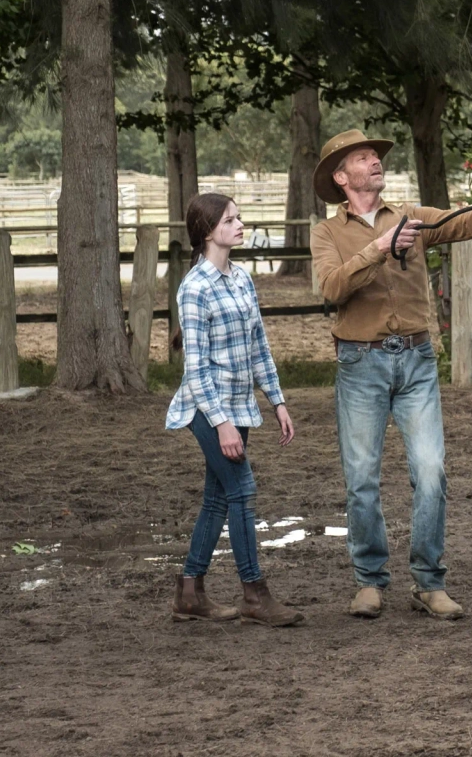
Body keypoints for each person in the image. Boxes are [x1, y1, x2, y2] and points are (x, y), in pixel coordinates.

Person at [310, 129, 472, 620]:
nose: (374, 162)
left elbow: (455, 223)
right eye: (362, 158)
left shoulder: (413, 215)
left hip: (418, 362)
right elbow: (332, 288)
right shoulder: (326, 233)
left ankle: (429, 582)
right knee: (361, 479)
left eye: (375, 156)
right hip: (360, 365)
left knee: (431, 472)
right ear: (341, 178)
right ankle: (369, 581)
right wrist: (380, 247)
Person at [164, 191, 304, 627]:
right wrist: (221, 423)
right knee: (241, 491)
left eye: (240, 218)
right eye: (231, 220)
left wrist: (277, 401)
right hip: (207, 409)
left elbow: (259, 347)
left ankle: (190, 593)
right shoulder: (195, 288)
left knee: (218, 499)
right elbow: (197, 367)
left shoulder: (242, 279)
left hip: (241, 406)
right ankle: (254, 595)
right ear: (209, 232)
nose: (241, 225)